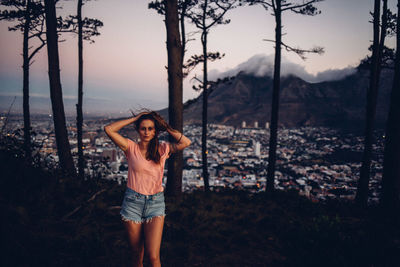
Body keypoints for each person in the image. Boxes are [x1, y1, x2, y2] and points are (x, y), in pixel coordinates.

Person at [104, 111, 191, 267]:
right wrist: (136, 118)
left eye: (150, 128)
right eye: (143, 128)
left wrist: (166, 126)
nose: (146, 132)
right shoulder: (130, 147)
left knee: (153, 257)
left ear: (155, 131)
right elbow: (109, 129)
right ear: (138, 129)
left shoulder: (163, 149)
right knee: (137, 255)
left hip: (155, 204)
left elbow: (185, 142)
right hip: (132, 203)